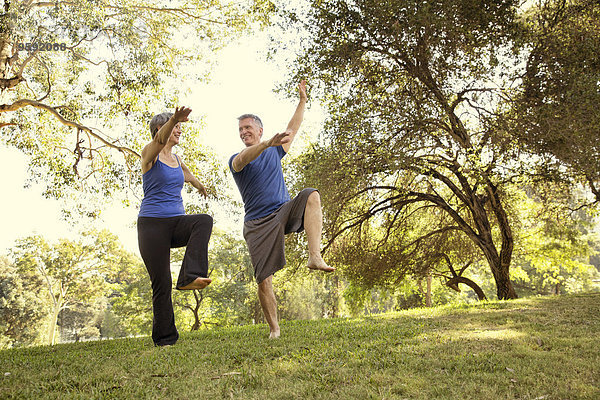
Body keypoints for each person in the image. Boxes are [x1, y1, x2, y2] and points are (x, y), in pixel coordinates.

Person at [228, 80, 335, 339]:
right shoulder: (236, 160)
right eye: (240, 129)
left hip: (283, 211)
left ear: (260, 129)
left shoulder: (275, 150)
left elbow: (293, 128)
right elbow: (244, 158)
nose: (243, 132)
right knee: (263, 279)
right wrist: (264, 145)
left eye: (248, 127)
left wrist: (302, 101)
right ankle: (274, 329)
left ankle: (314, 256)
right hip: (257, 223)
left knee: (311, 195)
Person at [137, 106, 213, 347]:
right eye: (175, 126)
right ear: (161, 128)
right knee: (161, 283)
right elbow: (159, 141)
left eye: (180, 126)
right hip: (152, 226)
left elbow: (187, 174)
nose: (179, 130)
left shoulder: (177, 159)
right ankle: (165, 339)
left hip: (176, 223)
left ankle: (189, 276)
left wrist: (200, 186)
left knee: (203, 220)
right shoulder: (149, 155)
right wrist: (173, 119)